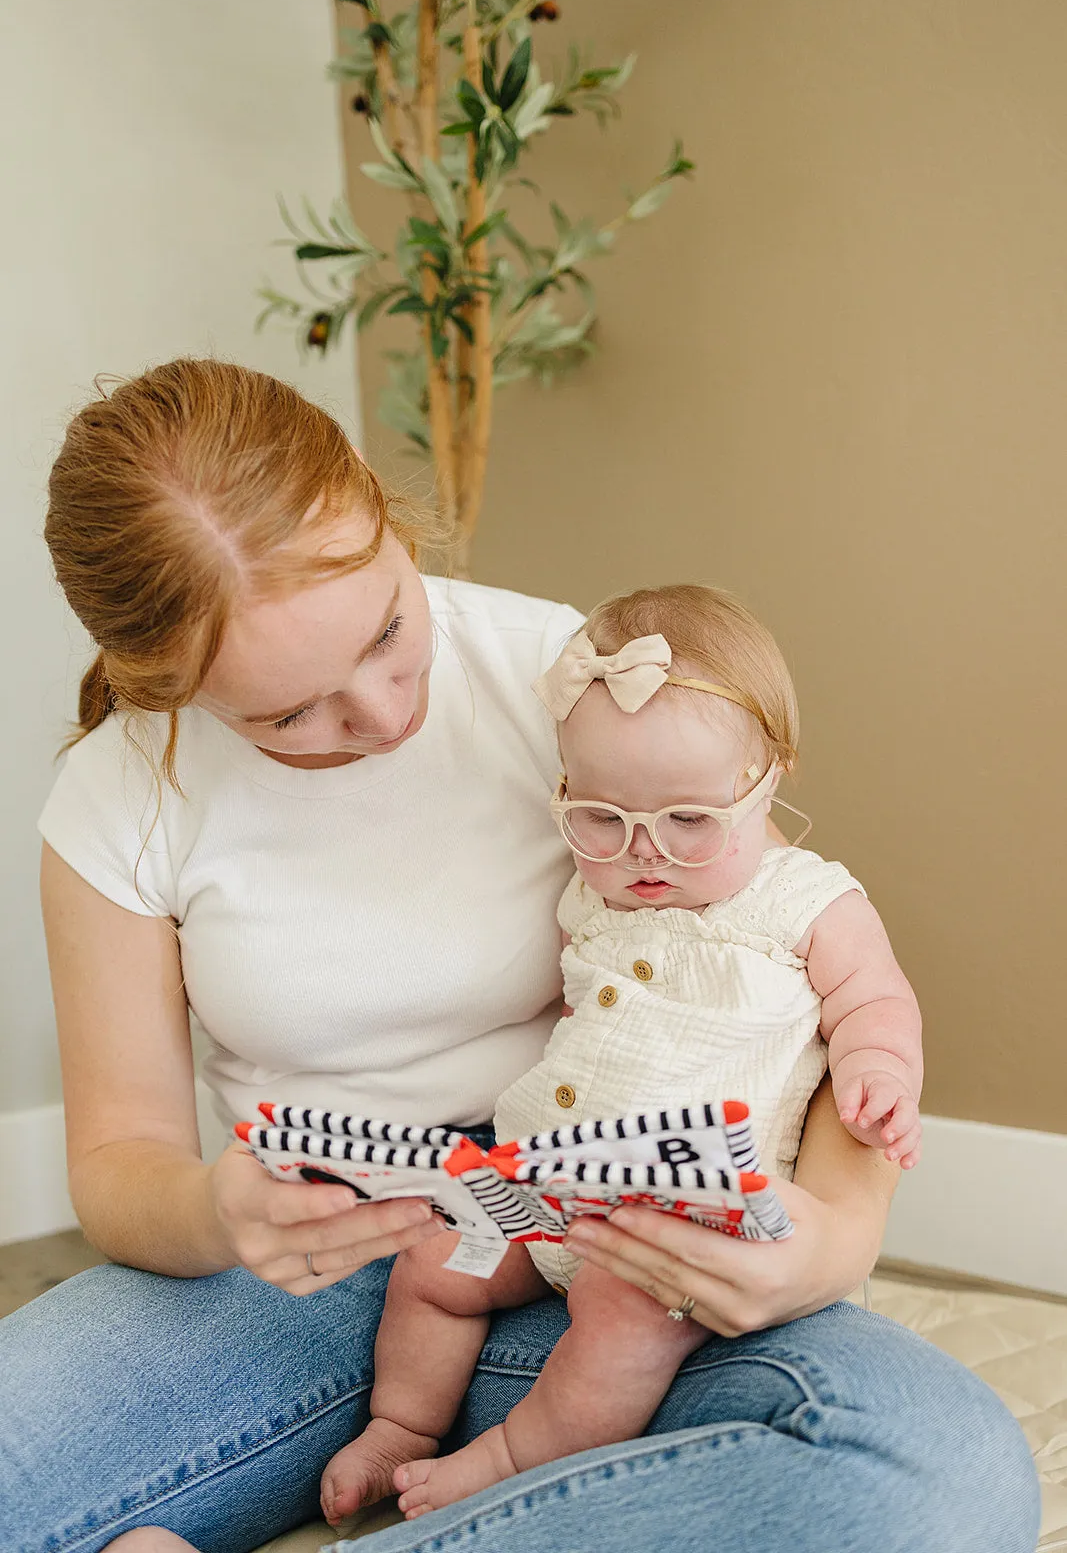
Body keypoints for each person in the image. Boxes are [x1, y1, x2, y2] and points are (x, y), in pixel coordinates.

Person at [0, 360, 1039, 1553]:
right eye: (291, 715)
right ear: (168, 686)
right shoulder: (121, 790)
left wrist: (836, 1238)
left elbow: (799, 961)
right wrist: (222, 1211)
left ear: (389, 516)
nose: (387, 716)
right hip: (297, 1279)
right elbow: (122, 1162)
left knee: (932, 1471)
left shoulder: (576, 679)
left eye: (389, 630)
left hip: (598, 1261)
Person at [313, 583, 924, 1524]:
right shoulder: (589, 897)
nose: (645, 854)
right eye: (601, 817)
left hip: (679, 1218)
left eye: (689, 822)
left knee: (617, 1319)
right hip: (545, 1177)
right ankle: (401, 1422)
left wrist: (879, 1073)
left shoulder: (806, 902)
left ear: (769, 780)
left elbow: (873, 1000)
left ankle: (514, 1456)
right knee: (437, 1258)